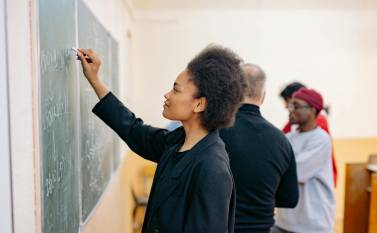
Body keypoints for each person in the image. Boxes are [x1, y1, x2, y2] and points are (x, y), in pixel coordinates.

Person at [76, 45, 246, 233]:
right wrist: (95, 80)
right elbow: (134, 130)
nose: (167, 94)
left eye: (176, 89)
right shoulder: (177, 141)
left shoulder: (212, 168)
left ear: (199, 103)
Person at [220, 63, 299, 233]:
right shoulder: (281, 140)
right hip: (260, 228)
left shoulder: (212, 131)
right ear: (263, 96)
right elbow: (290, 198)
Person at [272, 88, 336, 233]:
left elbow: (296, 173)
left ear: (312, 110)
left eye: (296, 106)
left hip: (312, 223)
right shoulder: (289, 137)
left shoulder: (321, 139)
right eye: (290, 105)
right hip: (283, 221)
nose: (290, 110)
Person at [279, 82, 338, 187]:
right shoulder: (292, 133)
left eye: (294, 105)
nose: (288, 109)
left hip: (316, 194)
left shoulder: (320, 133)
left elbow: (297, 170)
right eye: (290, 106)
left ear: (312, 110)